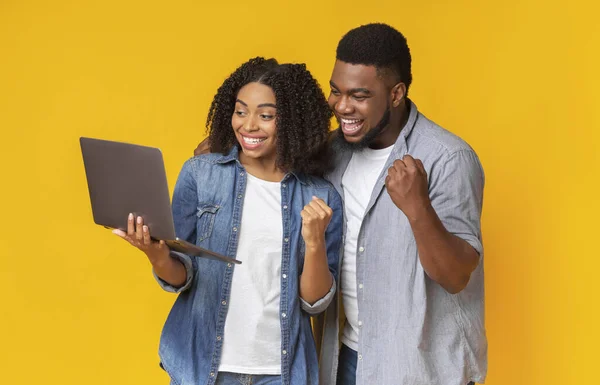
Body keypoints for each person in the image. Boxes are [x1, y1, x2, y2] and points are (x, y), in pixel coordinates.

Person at [195, 23, 487, 385]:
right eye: (336, 91)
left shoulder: (448, 158)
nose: (342, 106)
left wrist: (417, 208)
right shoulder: (332, 151)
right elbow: (267, 157)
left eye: (359, 95)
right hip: (343, 359)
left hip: (419, 368)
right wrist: (223, 152)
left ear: (396, 94)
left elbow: (456, 276)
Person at [114, 57, 343, 385]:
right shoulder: (200, 175)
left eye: (265, 116)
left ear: (292, 121)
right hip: (203, 366)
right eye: (240, 111)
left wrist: (315, 241)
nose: (248, 126)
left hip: (282, 373)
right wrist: (156, 254)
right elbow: (182, 275)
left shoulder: (320, 197)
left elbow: (314, 302)